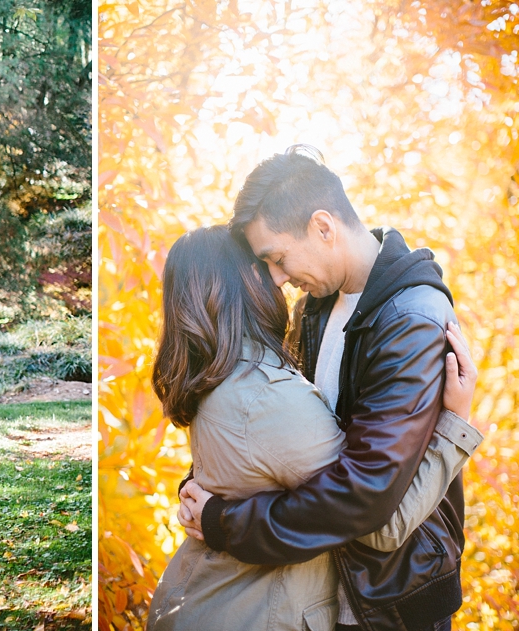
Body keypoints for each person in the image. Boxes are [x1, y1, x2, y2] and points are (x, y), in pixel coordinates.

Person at [178, 147, 475, 630]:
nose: (276, 277)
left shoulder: (410, 321)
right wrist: (208, 485)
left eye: (277, 257)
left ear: (322, 226)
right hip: (332, 587)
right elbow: (294, 435)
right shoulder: (317, 306)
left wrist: (223, 521)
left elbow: (364, 495)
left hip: (392, 599)